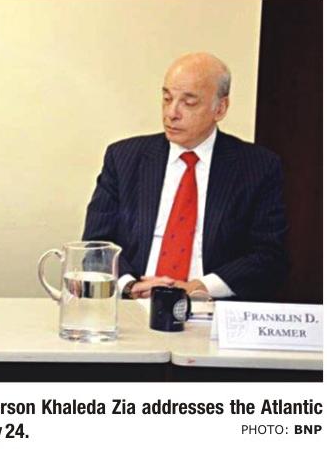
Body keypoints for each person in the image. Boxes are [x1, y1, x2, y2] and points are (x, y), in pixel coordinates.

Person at [83, 52, 289, 302]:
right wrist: (130, 286)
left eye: (188, 103)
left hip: (210, 307)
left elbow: (269, 255)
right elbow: (96, 246)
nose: (171, 113)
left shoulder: (258, 167)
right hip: (135, 304)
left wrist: (200, 287)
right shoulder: (124, 158)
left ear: (220, 108)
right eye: (167, 99)